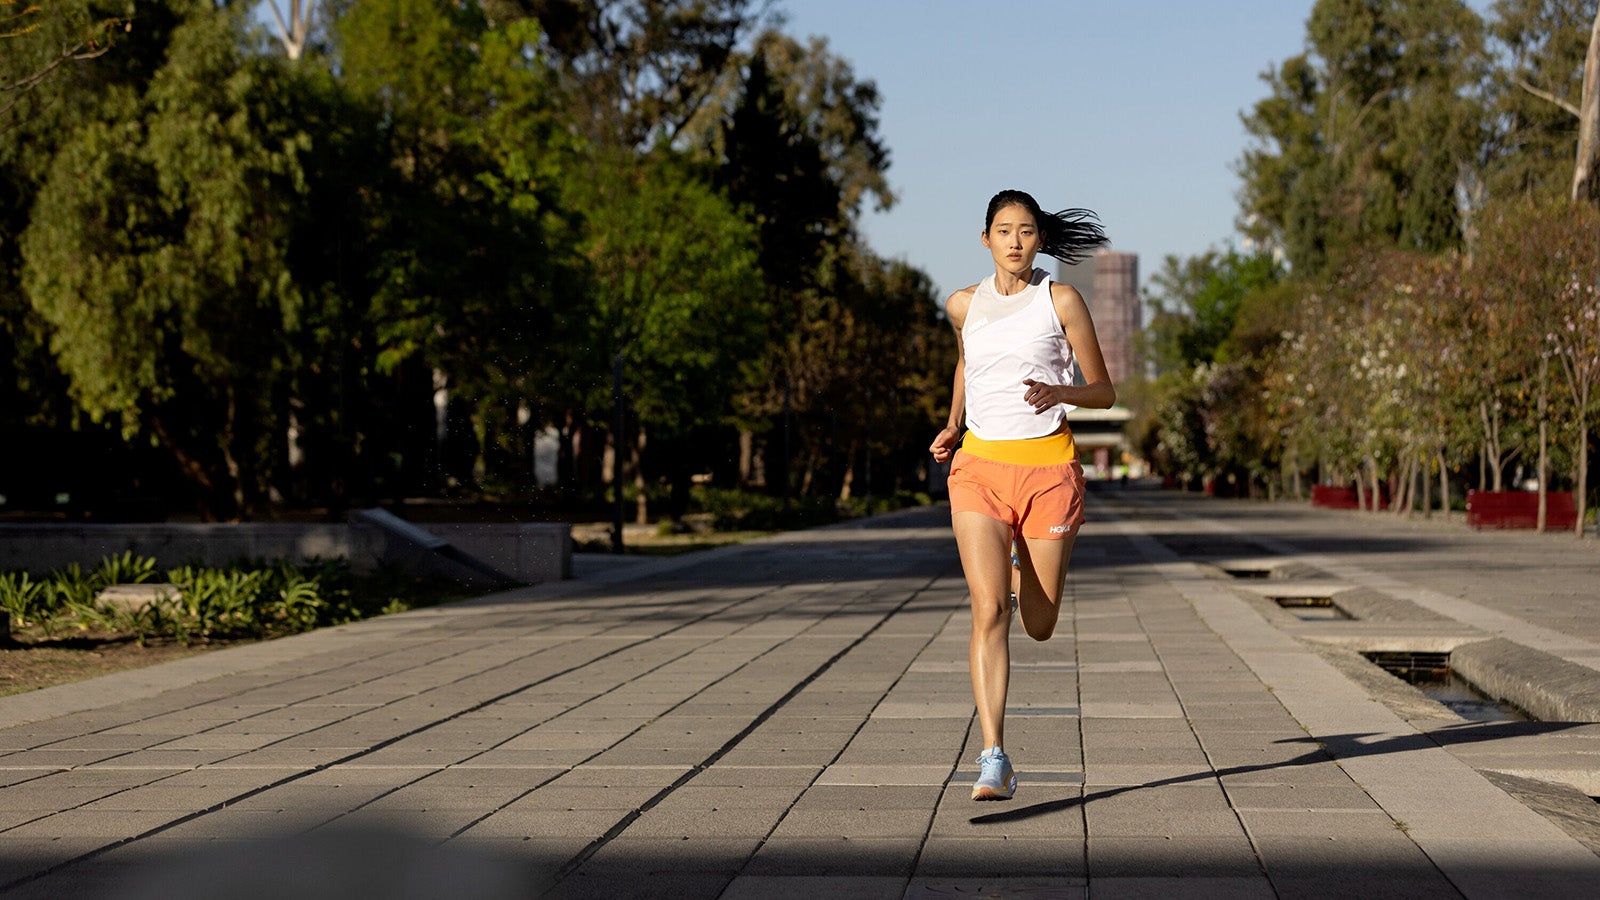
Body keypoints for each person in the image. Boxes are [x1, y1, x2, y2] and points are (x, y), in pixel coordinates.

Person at [929, 190, 1115, 801]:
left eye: (1027, 231)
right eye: (1004, 230)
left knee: (1039, 624)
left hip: (1048, 472)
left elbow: (1103, 391)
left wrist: (1059, 392)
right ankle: (993, 756)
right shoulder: (963, 304)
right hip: (979, 468)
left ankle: (1020, 568)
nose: (1015, 240)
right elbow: (966, 364)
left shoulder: (1059, 299)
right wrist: (953, 424)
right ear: (985, 238)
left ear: (1039, 240)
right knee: (989, 611)